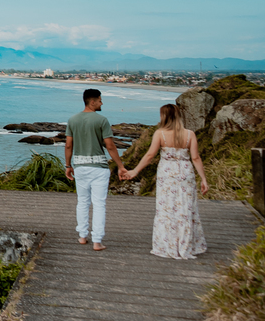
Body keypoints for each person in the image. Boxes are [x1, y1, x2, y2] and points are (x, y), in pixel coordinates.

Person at [124, 103, 208, 259]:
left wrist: (135, 171)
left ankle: (167, 244)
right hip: (185, 173)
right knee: (185, 209)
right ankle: (186, 244)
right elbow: (195, 158)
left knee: (167, 209)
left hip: (167, 175)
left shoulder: (160, 134)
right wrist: (203, 178)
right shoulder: (190, 134)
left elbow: (150, 156)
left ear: (164, 117)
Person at [64, 88, 127, 251]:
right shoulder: (102, 120)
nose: (102, 103)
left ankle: (83, 236)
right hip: (98, 167)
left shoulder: (72, 120)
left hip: (80, 167)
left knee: (82, 202)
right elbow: (110, 146)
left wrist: (68, 165)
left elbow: (69, 145)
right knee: (99, 204)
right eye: (100, 100)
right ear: (92, 102)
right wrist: (120, 166)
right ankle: (97, 241)